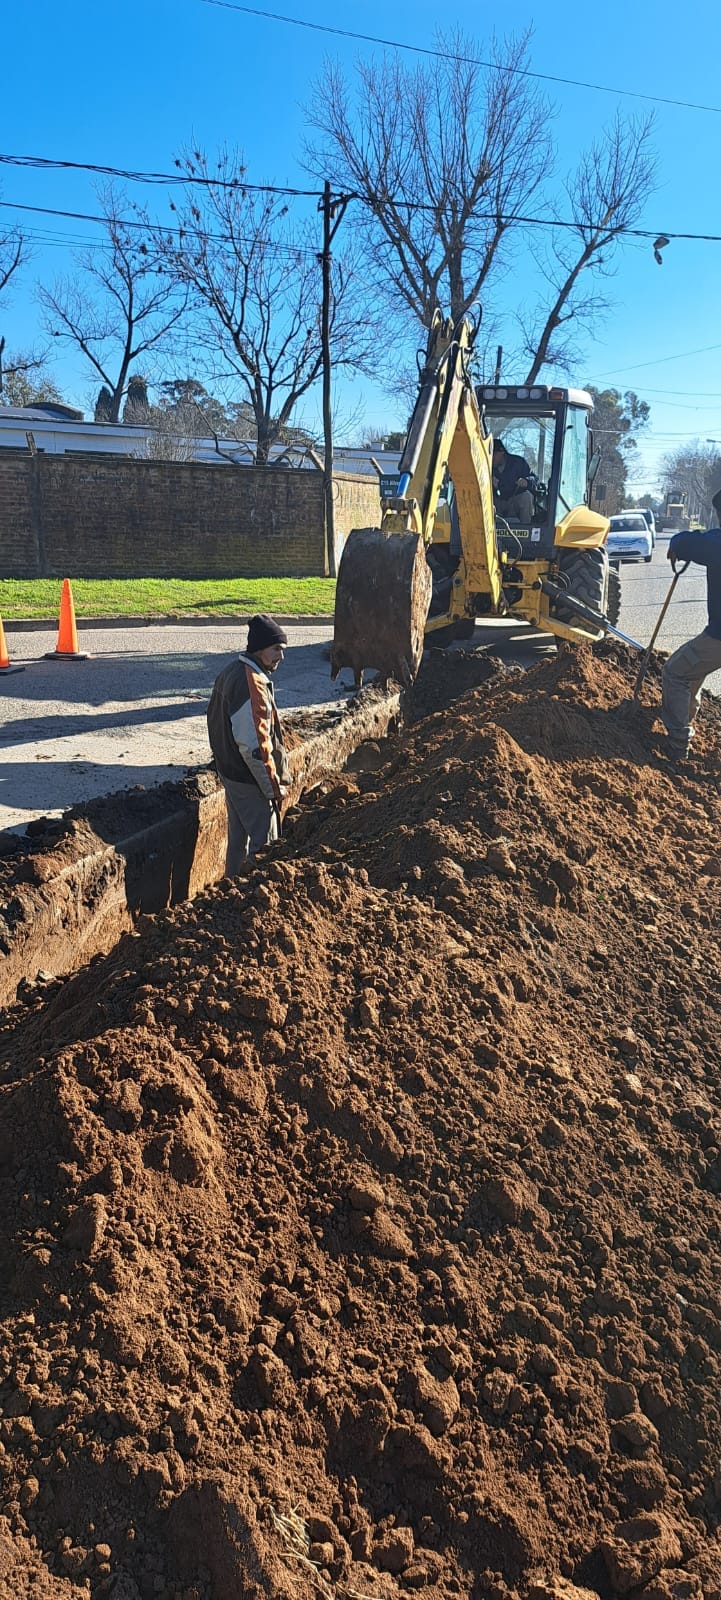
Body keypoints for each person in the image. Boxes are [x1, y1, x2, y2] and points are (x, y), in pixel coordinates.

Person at [207, 612, 290, 872]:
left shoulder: (232, 671)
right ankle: (253, 900)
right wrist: (272, 788)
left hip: (231, 771)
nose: (281, 656)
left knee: (238, 839)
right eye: (276, 648)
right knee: (265, 846)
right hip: (249, 778)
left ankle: (231, 890)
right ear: (259, 649)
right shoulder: (251, 683)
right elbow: (255, 747)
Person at [661, 488, 721, 759]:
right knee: (692, 669)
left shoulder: (717, 542)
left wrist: (675, 546)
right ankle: (684, 718)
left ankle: (676, 744)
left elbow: (685, 542)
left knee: (676, 672)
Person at [492, 438, 535, 523]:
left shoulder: (518, 463)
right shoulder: (487, 466)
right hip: (497, 503)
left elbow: (534, 479)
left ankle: (524, 529)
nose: (492, 458)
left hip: (514, 502)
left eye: (494, 454)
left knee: (526, 496)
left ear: (502, 452)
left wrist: (526, 481)